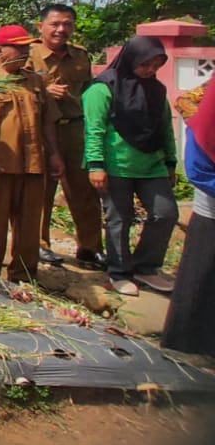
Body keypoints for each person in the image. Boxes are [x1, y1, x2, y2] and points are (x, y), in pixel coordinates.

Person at [0, 24, 64, 283]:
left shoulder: (35, 81)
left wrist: (54, 155)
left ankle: (23, 275)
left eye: (26, 47)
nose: (24, 51)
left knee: (29, 225)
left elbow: (48, 121)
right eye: (17, 46)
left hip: (32, 164)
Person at [82, 36, 178, 296]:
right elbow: (94, 130)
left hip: (152, 164)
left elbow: (166, 127)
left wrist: (171, 160)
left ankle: (145, 267)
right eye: (146, 64)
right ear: (131, 58)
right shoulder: (102, 89)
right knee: (119, 219)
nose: (150, 70)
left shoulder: (157, 90)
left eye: (156, 64)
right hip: (116, 165)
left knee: (166, 213)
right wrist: (95, 164)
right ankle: (119, 271)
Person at [27, 4, 106, 270]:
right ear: (41, 27)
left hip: (73, 128)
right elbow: (15, 88)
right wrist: (43, 90)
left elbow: (89, 92)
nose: (62, 29)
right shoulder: (28, 55)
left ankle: (90, 247)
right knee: (41, 189)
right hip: (39, 128)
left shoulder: (81, 56)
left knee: (83, 189)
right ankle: (39, 244)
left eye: (67, 24)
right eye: (55, 24)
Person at [163, 80, 215, 356]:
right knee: (202, 282)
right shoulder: (206, 112)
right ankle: (187, 352)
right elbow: (199, 169)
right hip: (212, 214)